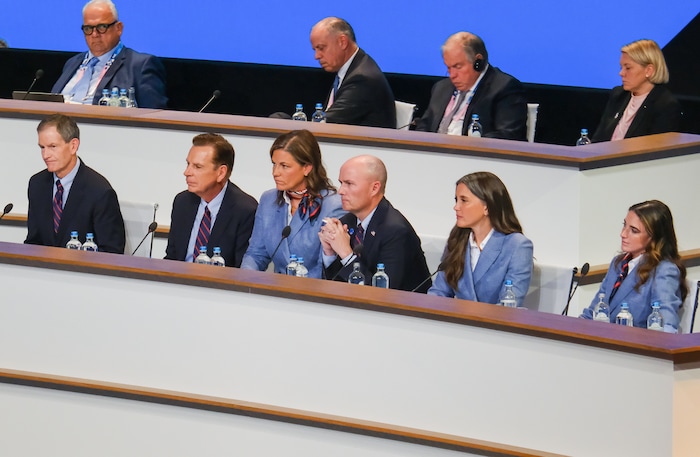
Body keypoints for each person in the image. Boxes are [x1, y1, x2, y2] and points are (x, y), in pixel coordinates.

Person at [319, 155, 431, 292]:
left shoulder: (396, 230)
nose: (341, 191)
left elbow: (383, 293)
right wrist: (330, 253)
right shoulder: (347, 222)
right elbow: (334, 284)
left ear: (374, 188)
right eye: (341, 183)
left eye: (349, 184)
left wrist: (346, 254)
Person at [241, 130, 344, 277]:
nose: (275, 172)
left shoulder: (333, 205)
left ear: (307, 168)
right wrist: (246, 278)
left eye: (284, 166)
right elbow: (256, 254)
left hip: (314, 293)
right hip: (276, 292)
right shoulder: (268, 200)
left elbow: (330, 266)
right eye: (274, 164)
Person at [428, 172, 533, 305]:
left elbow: (509, 305)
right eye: (456, 200)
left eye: (464, 201)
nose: (456, 207)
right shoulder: (457, 240)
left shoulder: (517, 246)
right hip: (455, 323)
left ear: (487, 207)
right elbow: (439, 292)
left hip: (494, 324)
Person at [25, 113, 125, 253]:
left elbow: (112, 251)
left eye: (53, 146)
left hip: (85, 273)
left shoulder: (99, 192)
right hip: (44, 272)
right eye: (42, 147)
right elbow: (33, 242)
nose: (45, 155)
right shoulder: (37, 184)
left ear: (73, 146)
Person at [580, 200, 686, 332]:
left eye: (634, 230)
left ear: (654, 237)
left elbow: (666, 325)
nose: (623, 234)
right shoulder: (618, 264)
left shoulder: (663, 270)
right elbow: (592, 313)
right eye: (624, 225)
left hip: (634, 348)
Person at [51, 0, 168, 108]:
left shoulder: (140, 65)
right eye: (88, 29)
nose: (94, 34)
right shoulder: (72, 63)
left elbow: (155, 115)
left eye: (102, 27)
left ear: (119, 28)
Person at [165, 133, 257, 266]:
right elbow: (172, 257)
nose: (187, 172)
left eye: (197, 167)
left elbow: (242, 269)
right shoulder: (182, 202)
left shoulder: (245, 210)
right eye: (188, 164)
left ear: (221, 172)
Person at [414, 32, 527, 140]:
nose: (452, 75)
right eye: (448, 68)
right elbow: (424, 124)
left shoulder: (504, 88)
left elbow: (508, 135)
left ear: (478, 62)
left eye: (458, 66)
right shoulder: (441, 87)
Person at [310, 17, 396, 129]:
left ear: (342, 42)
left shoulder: (362, 79)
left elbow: (327, 124)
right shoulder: (352, 68)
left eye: (321, 48)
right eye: (315, 50)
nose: (316, 56)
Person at [592, 39, 682, 142]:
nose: (621, 73)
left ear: (649, 70)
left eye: (628, 68)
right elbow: (598, 139)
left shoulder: (664, 105)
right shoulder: (618, 95)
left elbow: (656, 151)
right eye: (621, 67)